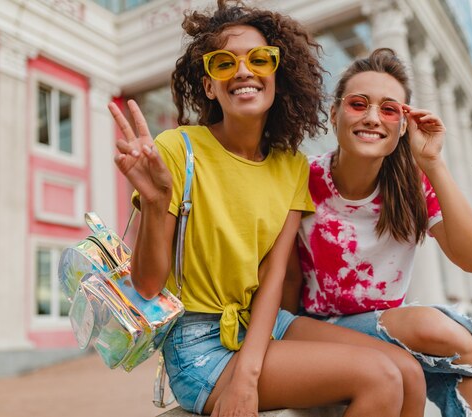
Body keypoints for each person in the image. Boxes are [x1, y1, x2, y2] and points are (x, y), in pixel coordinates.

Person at [108, 2, 426, 416]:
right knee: (379, 376)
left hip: (264, 324)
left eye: (259, 59)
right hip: (200, 344)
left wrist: (250, 374)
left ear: (276, 75)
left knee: (408, 370)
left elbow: (272, 277)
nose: (243, 71)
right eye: (225, 63)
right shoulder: (177, 149)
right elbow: (148, 286)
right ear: (209, 85)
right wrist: (154, 204)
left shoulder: (291, 165)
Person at [282, 48, 472, 417]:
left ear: (403, 124)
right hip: (320, 328)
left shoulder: (411, 185)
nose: (371, 118)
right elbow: (286, 274)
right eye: (358, 104)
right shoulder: (303, 176)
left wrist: (433, 163)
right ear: (334, 114)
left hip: (397, 334)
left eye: (389, 109)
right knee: (427, 323)